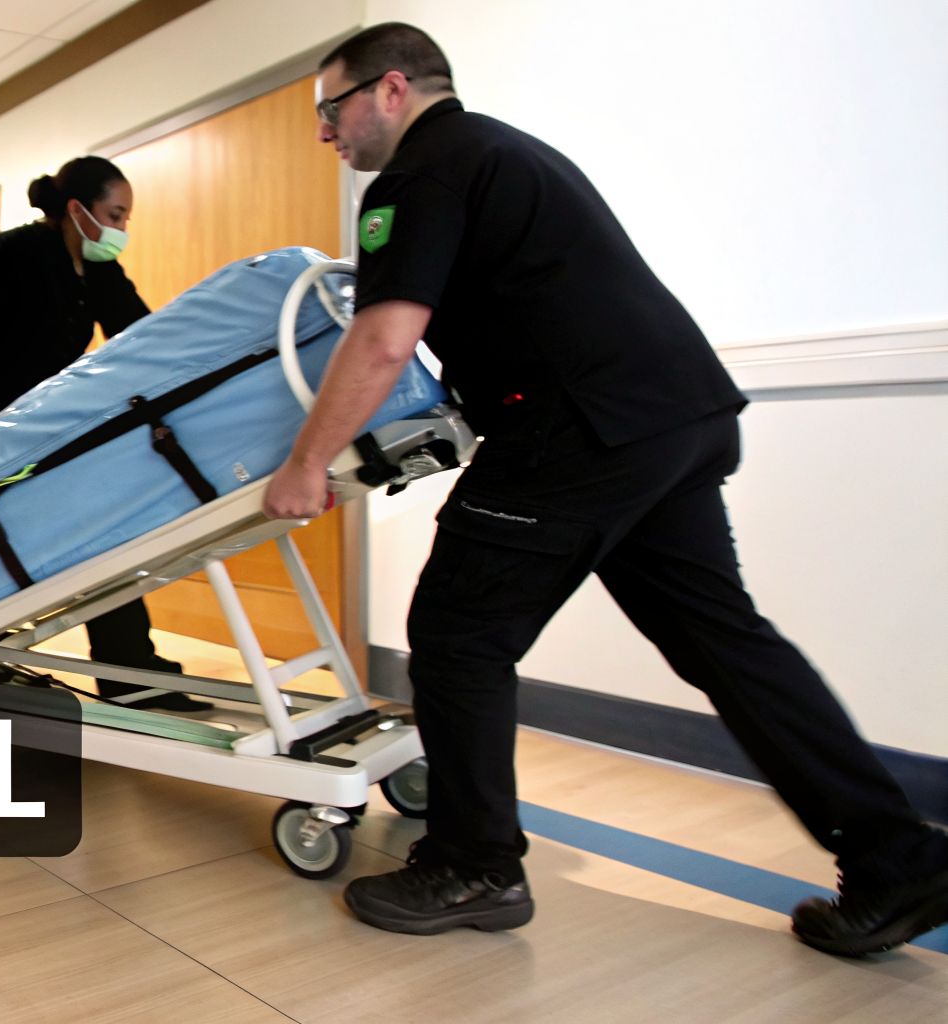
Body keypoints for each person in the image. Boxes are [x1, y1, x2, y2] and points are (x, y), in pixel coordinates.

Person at [262, 23, 948, 955]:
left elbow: (382, 340)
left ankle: (473, 864)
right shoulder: (503, 151)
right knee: (725, 641)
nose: (325, 135)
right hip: (674, 414)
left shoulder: (422, 174)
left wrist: (305, 465)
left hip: (578, 430)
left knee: (459, 636)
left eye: (329, 110)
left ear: (389, 90)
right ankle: (896, 857)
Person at [0, 156, 208, 713]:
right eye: (115, 214)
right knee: (23, 550)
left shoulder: (96, 269)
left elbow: (139, 333)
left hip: (48, 433)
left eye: (128, 218)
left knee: (110, 535)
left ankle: (128, 669)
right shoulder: (14, 255)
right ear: (77, 210)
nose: (122, 229)